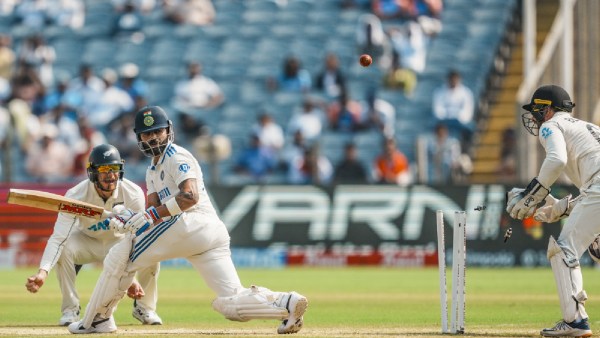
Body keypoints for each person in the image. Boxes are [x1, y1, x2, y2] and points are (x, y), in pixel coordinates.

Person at [67, 106, 308, 334]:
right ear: (139, 138)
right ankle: (287, 303)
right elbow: (151, 212)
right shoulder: (152, 170)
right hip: (207, 234)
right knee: (230, 301)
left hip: (192, 221)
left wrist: (146, 218)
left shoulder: (176, 156)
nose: (153, 138)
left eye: (157, 131)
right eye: (147, 134)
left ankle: (98, 319)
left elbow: (189, 196)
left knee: (120, 255)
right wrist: (128, 218)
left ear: (168, 130)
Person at [25, 144, 163, 326]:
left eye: (114, 169)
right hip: (87, 241)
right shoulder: (75, 195)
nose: (110, 175)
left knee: (151, 250)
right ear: (92, 173)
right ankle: (70, 310)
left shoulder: (133, 193)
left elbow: (136, 237)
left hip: (119, 244)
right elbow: (58, 238)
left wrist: (131, 278)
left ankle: (145, 308)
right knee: (65, 247)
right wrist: (42, 272)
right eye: (104, 170)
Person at [506, 85, 597, 337]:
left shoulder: (552, 125)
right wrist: (557, 208)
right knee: (596, 247)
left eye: (537, 110)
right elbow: (592, 194)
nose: (534, 117)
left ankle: (575, 322)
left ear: (548, 109)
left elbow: (557, 160)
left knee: (564, 248)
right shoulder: (587, 128)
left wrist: (533, 194)